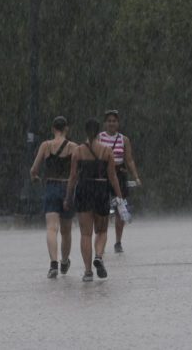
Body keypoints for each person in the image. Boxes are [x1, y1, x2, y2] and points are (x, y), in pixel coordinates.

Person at [64, 118, 123, 282]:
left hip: (83, 190)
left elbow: (73, 177)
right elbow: (113, 177)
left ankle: (88, 271)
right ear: (98, 132)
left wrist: (68, 196)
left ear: (85, 131)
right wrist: (119, 197)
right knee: (102, 231)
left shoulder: (78, 151)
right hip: (101, 190)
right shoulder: (106, 151)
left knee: (85, 234)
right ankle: (98, 256)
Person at [29, 116, 78, 278]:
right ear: (66, 129)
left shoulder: (46, 146)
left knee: (51, 228)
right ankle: (64, 261)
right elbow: (77, 172)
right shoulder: (73, 148)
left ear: (53, 129)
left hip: (51, 187)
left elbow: (34, 170)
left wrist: (35, 178)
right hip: (67, 188)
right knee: (66, 230)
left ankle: (53, 264)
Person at [98, 109, 141, 254]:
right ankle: (101, 238)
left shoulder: (124, 139)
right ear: (105, 123)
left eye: (114, 121)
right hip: (103, 174)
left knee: (120, 207)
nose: (111, 123)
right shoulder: (99, 138)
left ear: (118, 123)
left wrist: (136, 177)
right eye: (109, 121)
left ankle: (118, 241)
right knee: (102, 208)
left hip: (119, 172)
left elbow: (129, 159)